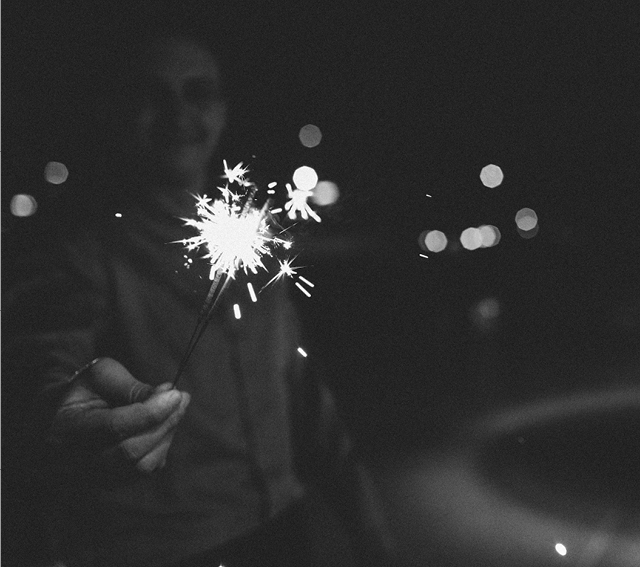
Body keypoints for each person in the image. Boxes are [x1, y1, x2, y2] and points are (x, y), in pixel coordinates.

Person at [3, 31, 394, 567]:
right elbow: (42, 374)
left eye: (197, 92)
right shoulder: (81, 255)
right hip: (170, 551)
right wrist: (58, 413)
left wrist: (367, 523)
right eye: (153, 94)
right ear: (117, 112)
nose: (178, 113)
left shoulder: (255, 242)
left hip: (284, 530)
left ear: (224, 111)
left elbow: (303, 395)